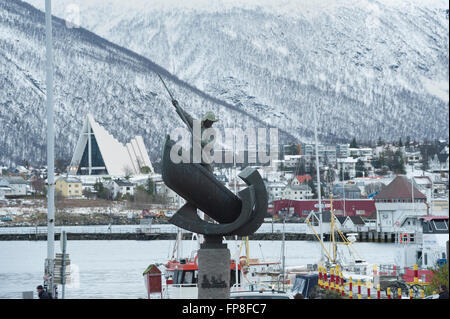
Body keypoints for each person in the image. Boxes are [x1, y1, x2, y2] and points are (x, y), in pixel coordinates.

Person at [172, 99, 218, 173]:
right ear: (205, 120)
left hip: (204, 158)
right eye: (209, 121)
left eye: (212, 122)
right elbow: (186, 116)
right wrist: (177, 107)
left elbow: (209, 144)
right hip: (193, 155)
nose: (211, 123)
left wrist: (199, 141)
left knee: (209, 173)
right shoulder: (196, 125)